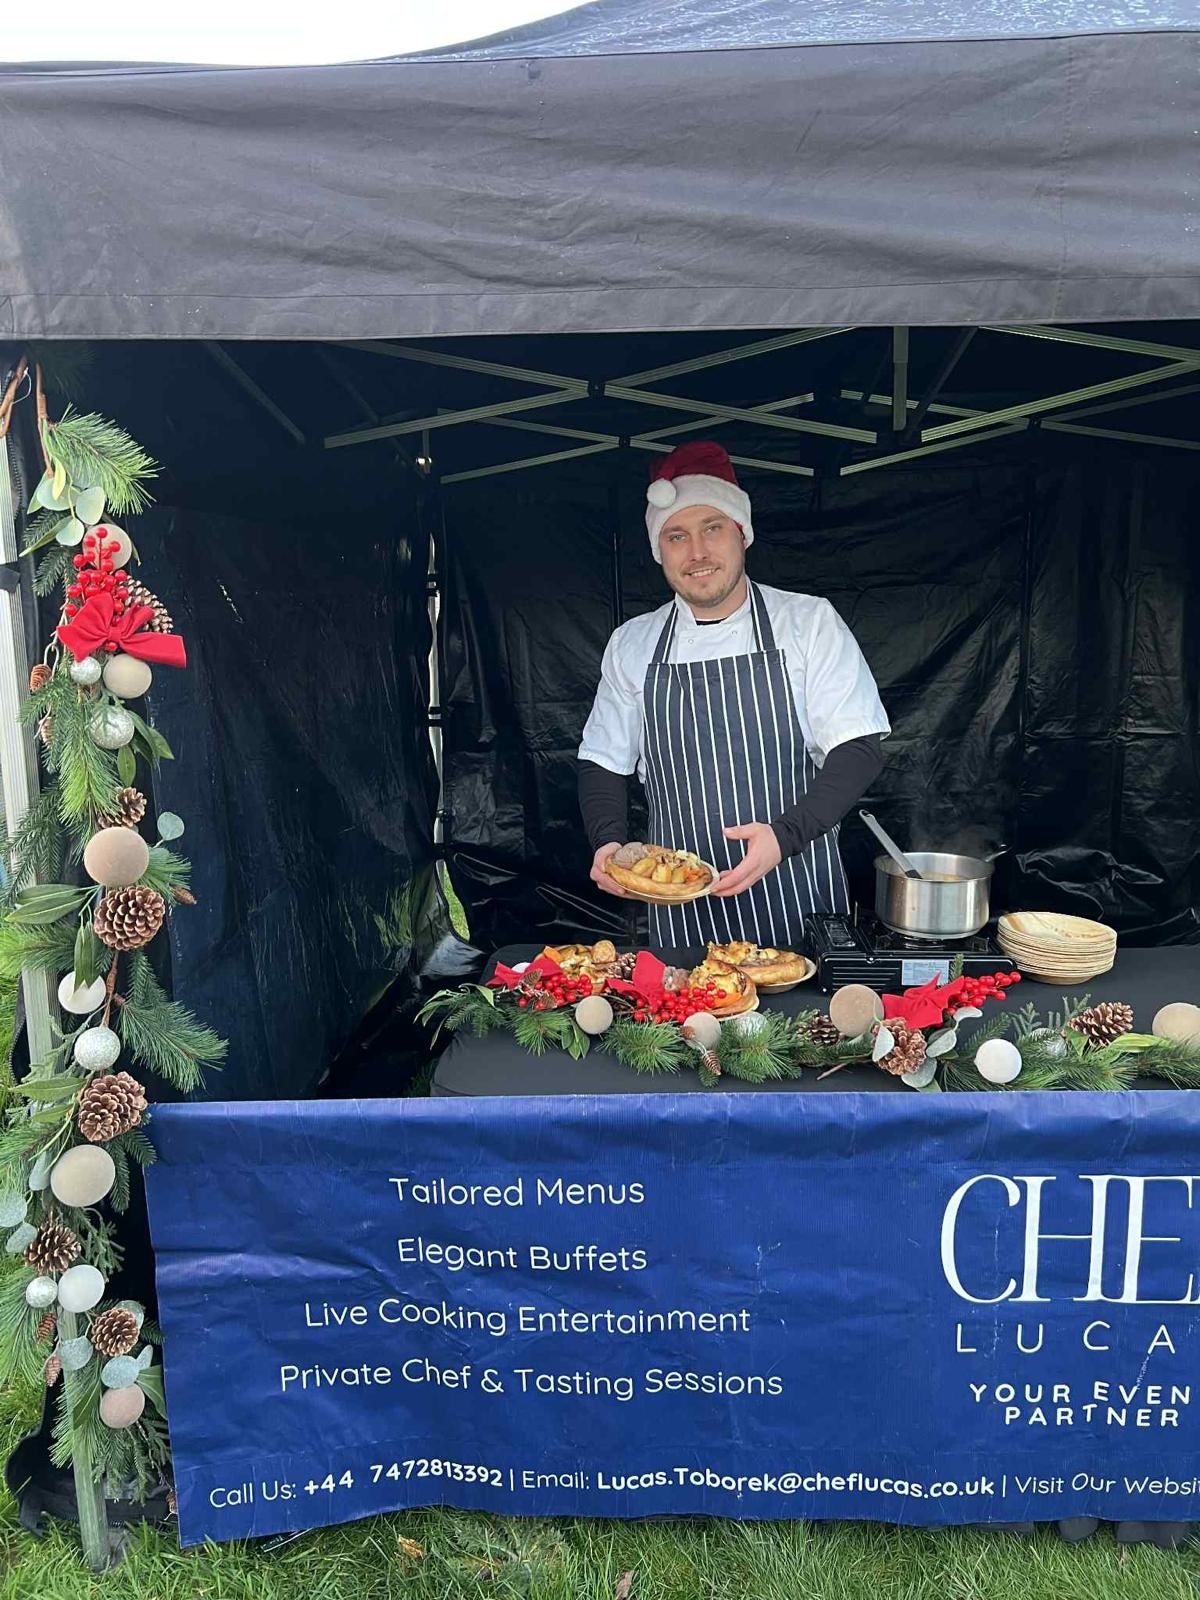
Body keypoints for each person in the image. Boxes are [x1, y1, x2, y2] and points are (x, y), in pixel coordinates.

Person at [577, 440, 889, 950]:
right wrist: (609, 843)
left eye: (712, 529)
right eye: (676, 536)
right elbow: (603, 761)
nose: (697, 553)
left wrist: (783, 836)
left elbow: (859, 748)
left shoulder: (807, 624)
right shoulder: (633, 644)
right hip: (679, 909)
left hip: (797, 893)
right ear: (660, 552)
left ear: (742, 533)